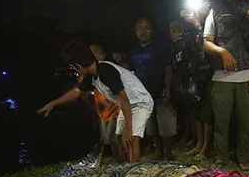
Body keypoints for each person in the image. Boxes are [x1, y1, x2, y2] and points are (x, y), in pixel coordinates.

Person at [38, 39, 154, 162]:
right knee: (119, 137)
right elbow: (76, 92)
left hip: (140, 102)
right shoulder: (91, 76)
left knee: (132, 138)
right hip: (126, 105)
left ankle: (132, 173)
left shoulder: (106, 72)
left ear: (77, 66)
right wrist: (53, 103)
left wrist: (129, 130)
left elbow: (124, 100)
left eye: (73, 67)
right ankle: (124, 167)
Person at [203, 0, 249, 170]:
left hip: (247, 76)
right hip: (222, 77)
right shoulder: (216, 9)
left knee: (246, 123)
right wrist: (222, 52)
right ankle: (220, 156)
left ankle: (244, 156)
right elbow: (206, 42)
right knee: (221, 123)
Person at [128, 17, 177, 161]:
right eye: (140, 28)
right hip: (143, 95)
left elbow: (168, 70)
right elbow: (130, 72)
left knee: (166, 125)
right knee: (151, 127)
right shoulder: (132, 52)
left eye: (147, 28)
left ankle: (168, 151)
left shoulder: (160, 48)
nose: (143, 32)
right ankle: (158, 150)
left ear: (152, 30)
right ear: (135, 31)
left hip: (160, 92)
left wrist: (168, 88)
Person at [169, 20, 213, 160]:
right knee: (195, 114)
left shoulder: (197, 35)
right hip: (192, 79)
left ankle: (205, 147)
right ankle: (197, 143)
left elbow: (203, 48)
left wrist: (198, 25)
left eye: (174, 30)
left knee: (205, 115)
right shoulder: (182, 43)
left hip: (206, 78)